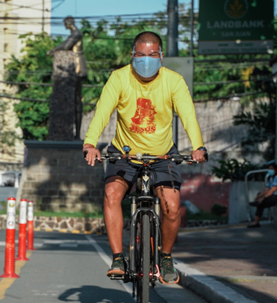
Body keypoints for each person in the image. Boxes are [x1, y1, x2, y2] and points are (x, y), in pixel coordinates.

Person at [83, 31, 207, 283]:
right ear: (132, 55)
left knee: (172, 208)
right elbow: (102, 113)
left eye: (152, 55)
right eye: (141, 55)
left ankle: (166, 257)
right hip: (124, 153)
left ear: (161, 56)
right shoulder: (118, 78)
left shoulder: (174, 81)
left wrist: (198, 147)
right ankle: (118, 257)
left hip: (162, 154)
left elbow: (188, 115)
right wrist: (90, 143)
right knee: (111, 195)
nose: (146, 59)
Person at [248, 163, 277, 228]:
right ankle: (256, 221)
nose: (269, 170)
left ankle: (256, 222)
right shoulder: (271, 178)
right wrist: (258, 196)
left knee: (261, 203)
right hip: (274, 196)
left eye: (271, 169)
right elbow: (266, 189)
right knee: (260, 199)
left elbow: (273, 189)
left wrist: (263, 198)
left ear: (276, 170)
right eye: (269, 169)